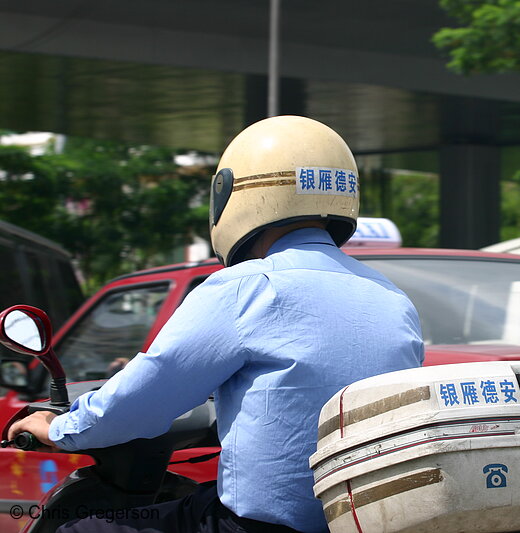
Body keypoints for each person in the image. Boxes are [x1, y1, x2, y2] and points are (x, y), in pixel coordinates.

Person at [9, 116, 425, 532]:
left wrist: (61, 428)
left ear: (235, 193)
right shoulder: (392, 298)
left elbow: (150, 390)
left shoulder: (248, 287)